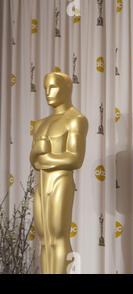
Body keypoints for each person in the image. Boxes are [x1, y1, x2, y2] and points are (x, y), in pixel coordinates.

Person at [30, 72, 88, 274]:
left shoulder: (75, 119)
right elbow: (34, 161)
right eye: (46, 87)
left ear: (66, 89)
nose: (48, 92)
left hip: (61, 181)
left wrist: (44, 157)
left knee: (59, 236)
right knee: (44, 239)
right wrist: (39, 154)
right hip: (42, 182)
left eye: (53, 87)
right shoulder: (40, 124)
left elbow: (75, 158)